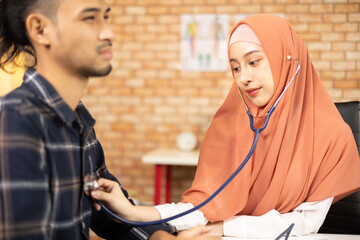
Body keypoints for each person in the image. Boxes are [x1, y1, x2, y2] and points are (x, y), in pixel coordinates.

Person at [90, 14, 360, 238]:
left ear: (288, 60)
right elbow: (202, 207)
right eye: (235, 68)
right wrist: (132, 210)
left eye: (253, 62)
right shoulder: (228, 126)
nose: (244, 77)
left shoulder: (332, 134)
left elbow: (305, 223)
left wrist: (223, 229)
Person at [0, 0, 221, 239]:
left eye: (106, 17)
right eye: (89, 18)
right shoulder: (15, 121)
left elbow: (108, 213)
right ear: (40, 29)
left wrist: (159, 236)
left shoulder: (78, 119)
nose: (108, 32)